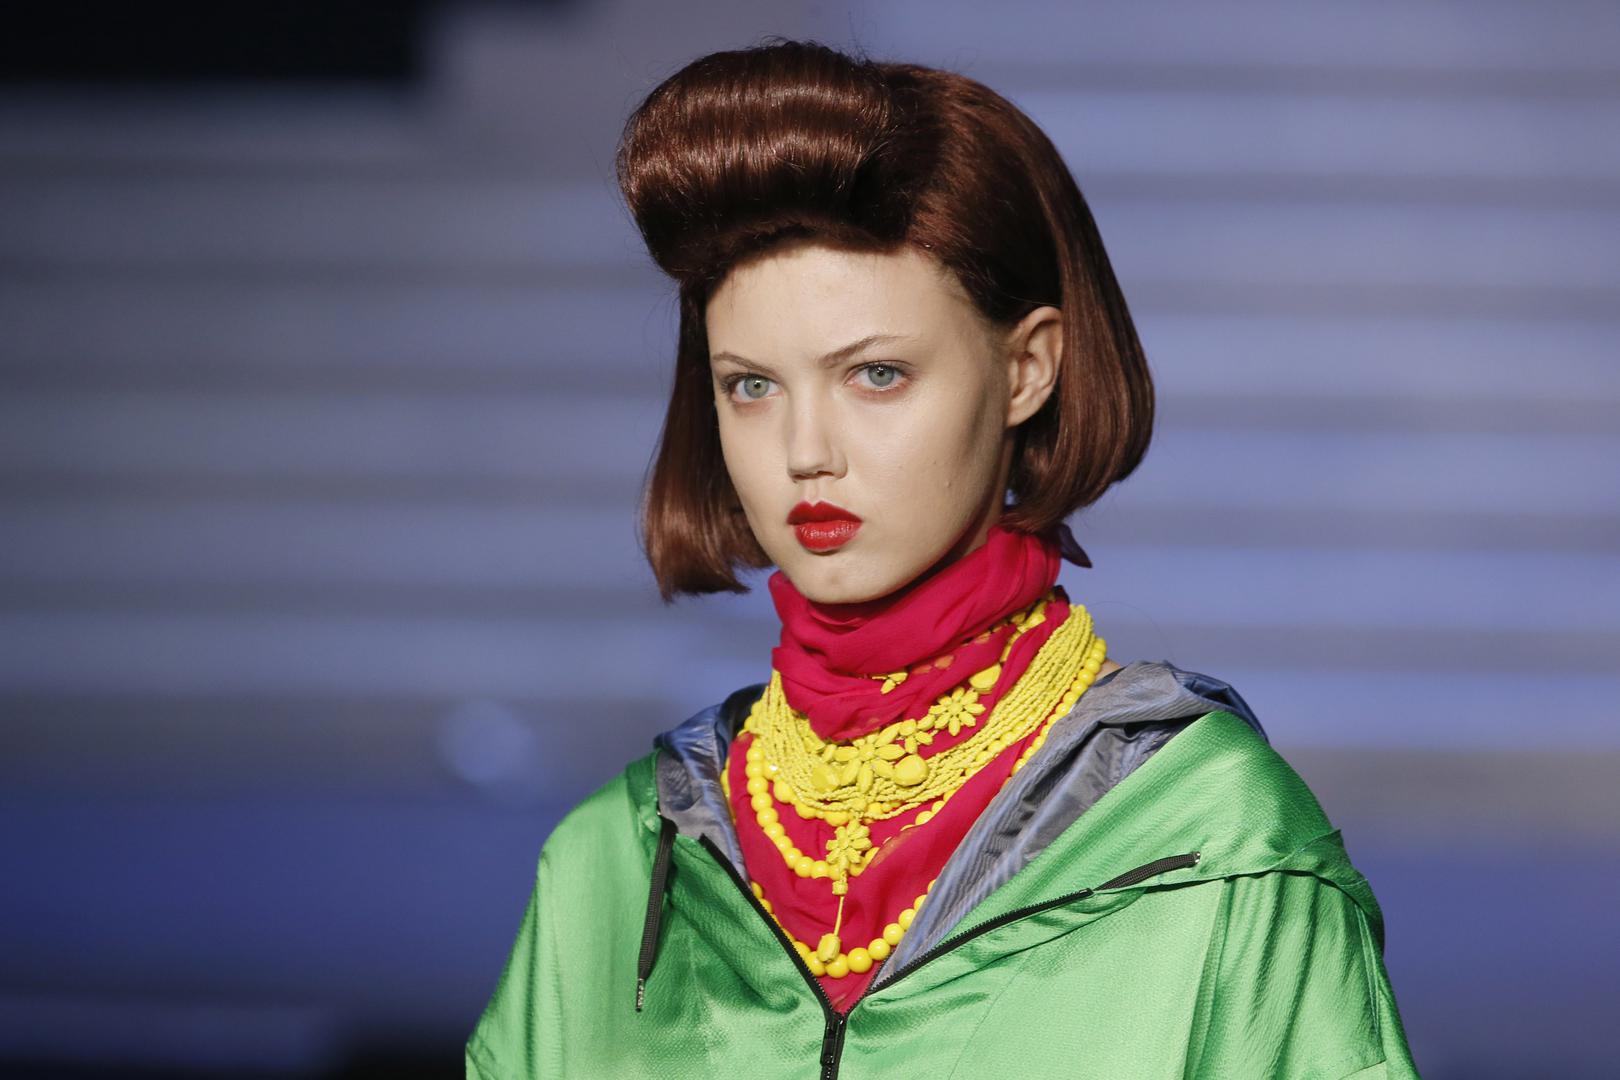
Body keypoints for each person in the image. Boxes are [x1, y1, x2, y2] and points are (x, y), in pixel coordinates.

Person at [465, 37, 1420, 1079]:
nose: (806, 451)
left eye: (876, 374)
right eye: (752, 385)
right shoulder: (611, 862)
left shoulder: (1217, 845)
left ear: (1028, 370)